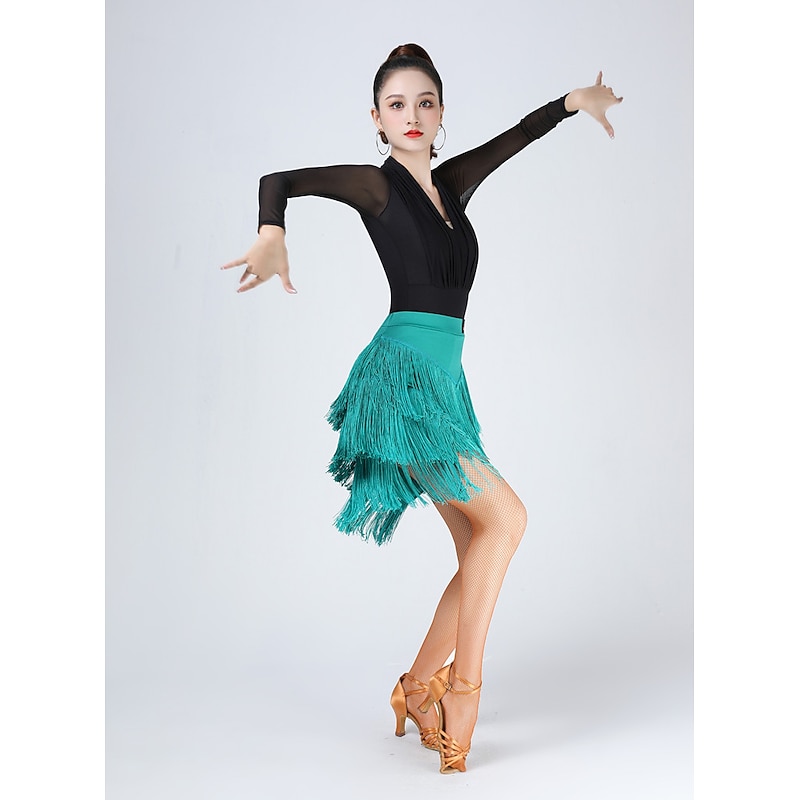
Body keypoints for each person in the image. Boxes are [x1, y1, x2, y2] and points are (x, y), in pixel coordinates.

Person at [222, 43, 622, 774]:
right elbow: (278, 180)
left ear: (440, 115)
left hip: (443, 380)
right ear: (377, 118)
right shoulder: (375, 187)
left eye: (425, 103)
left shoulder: (453, 183)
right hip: (402, 379)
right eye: (397, 104)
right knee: (508, 520)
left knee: (479, 541)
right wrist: (271, 230)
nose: (412, 115)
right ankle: (462, 689)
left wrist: (571, 104)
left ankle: (413, 686)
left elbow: (519, 136)